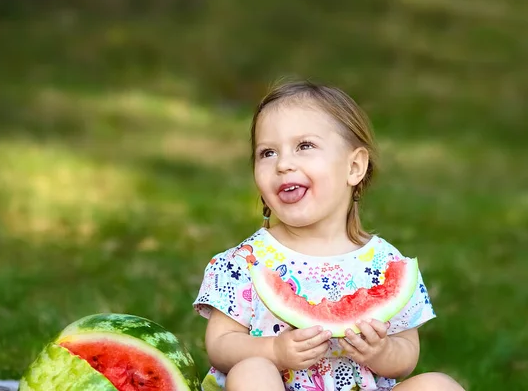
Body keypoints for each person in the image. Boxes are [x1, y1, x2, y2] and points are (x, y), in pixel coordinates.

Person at [192, 80, 465, 391]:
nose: (283, 164)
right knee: (251, 371)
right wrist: (274, 351)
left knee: (439, 385)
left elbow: (406, 352)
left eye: (305, 146)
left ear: (354, 167)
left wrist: (382, 351)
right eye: (267, 152)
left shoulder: (386, 264)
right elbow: (221, 344)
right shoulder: (245, 261)